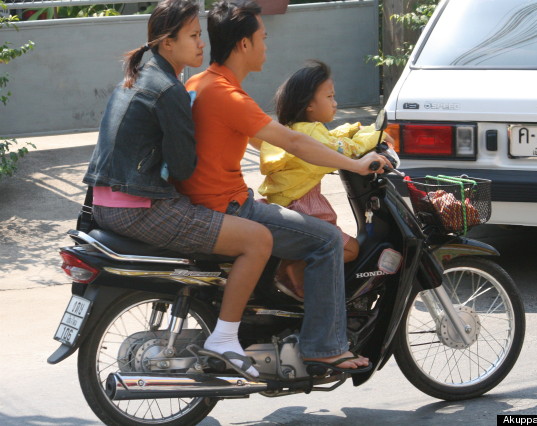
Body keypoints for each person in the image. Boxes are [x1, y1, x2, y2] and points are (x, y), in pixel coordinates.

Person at [175, 0, 391, 373]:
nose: (266, 45)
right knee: (325, 239)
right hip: (228, 207)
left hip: (203, 202)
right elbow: (292, 143)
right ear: (244, 44)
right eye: (263, 37)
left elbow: (266, 138)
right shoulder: (228, 95)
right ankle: (324, 347)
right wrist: (354, 163)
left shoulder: (200, 83)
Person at [83, 0, 272, 377]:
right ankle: (224, 338)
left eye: (200, 35)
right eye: (193, 36)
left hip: (103, 204)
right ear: (167, 44)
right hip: (140, 208)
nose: (201, 44)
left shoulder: (139, 73)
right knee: (258, 240)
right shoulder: (169, 89)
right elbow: (185, 167)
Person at [258, 60, 393, 300]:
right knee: (350, 249)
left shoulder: (298, 127)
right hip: (303, 207)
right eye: (329, 97)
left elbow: (331, 138)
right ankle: (296, 271)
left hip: (291, 204)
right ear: (309, 104)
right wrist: (376, 135)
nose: (335, 103)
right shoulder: (309, 133)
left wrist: (356, 127)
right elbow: (342, 149)